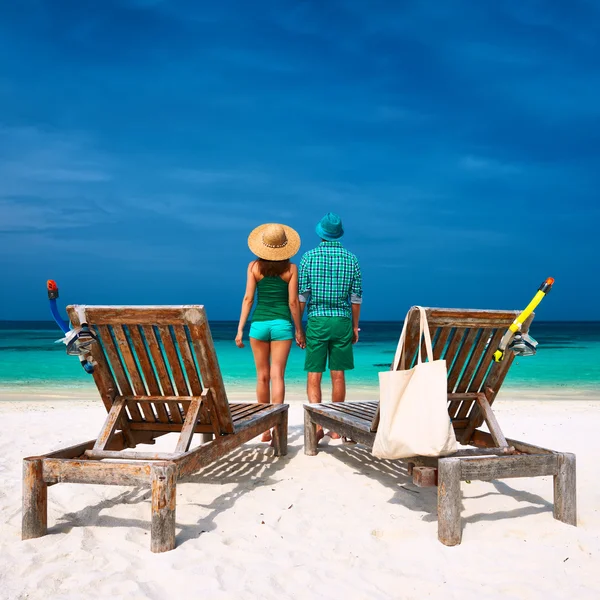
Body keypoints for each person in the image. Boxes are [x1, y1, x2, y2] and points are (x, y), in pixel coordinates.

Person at [236, 223, 305, 443]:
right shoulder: (291, 268)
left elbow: (248, 299)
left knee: (262, 377)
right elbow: (293, 302)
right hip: (282, 326)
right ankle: (277, 426)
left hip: (258, 326)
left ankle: (264, 429)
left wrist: (240, 329)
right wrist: (299, 330)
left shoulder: (253, 267)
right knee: (277, 376)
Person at [298, 212, 362, 442]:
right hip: (342, 320)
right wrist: (355, 327)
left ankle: (317, 426)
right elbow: (355, 298)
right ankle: (335, 427)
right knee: (338, 375)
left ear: (321, 233)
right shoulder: (351, 259)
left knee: (314, 374)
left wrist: (298, 327)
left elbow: (302, 297)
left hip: (317, 320)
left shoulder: (308, 258)